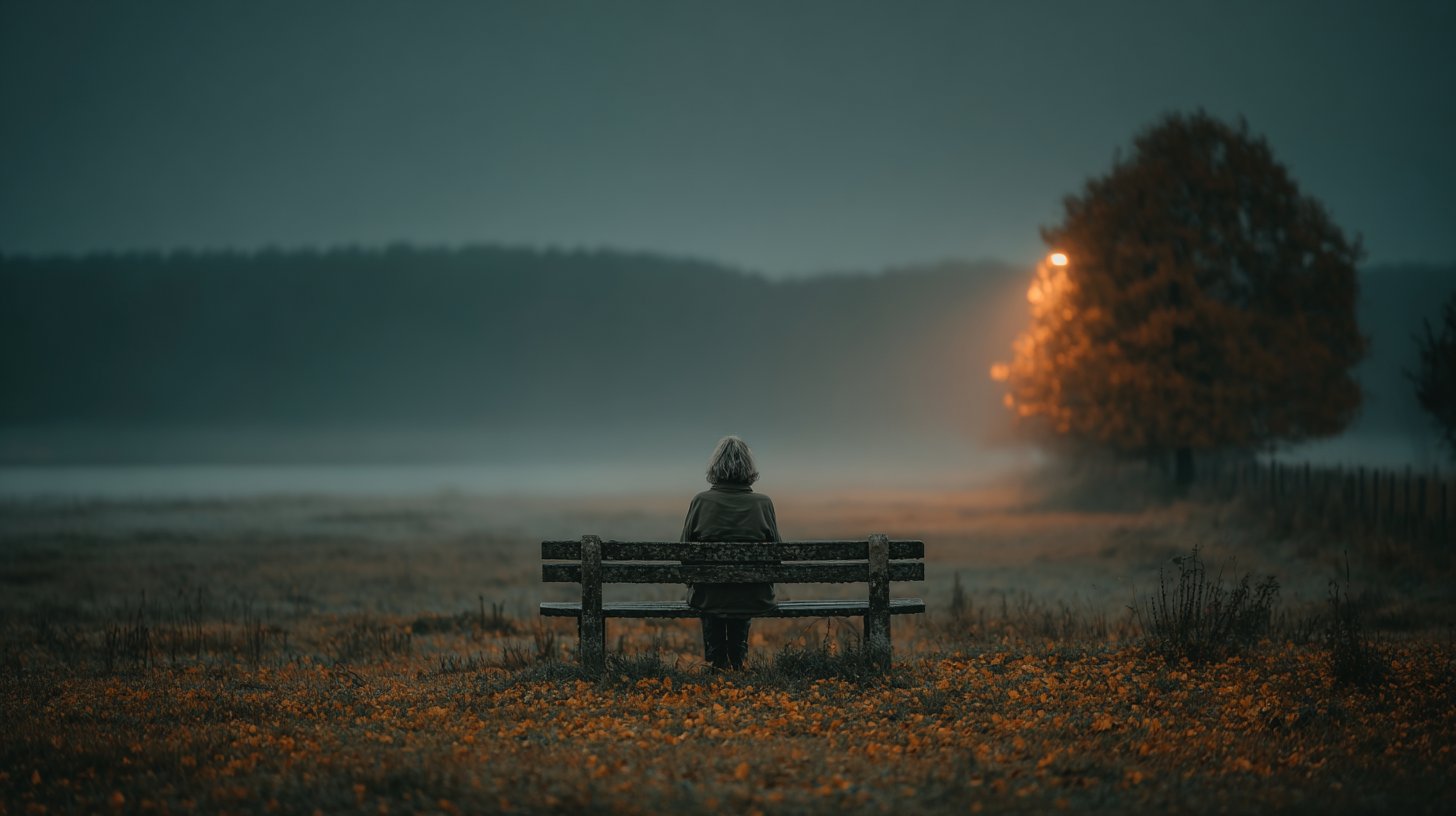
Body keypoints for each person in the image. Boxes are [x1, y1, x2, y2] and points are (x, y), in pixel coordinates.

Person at [679, 435, 780, 670]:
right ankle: (737, 658)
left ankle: (716, 661)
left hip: (708, 596)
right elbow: (777, 555)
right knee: (740, 593)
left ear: (715, 466)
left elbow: (684, 553)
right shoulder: (763, 503)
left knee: (714, 593)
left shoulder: (701, 502)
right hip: (753, 595)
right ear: (749, 468)